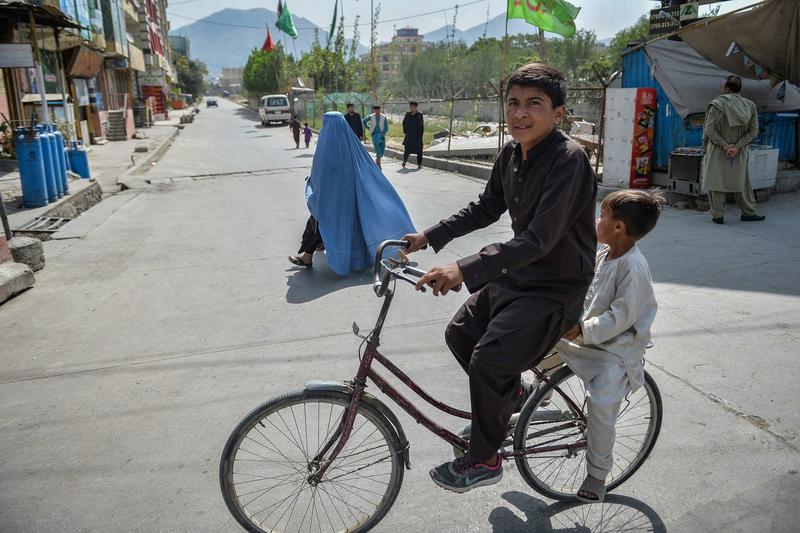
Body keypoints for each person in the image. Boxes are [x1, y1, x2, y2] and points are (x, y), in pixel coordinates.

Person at [402, 63, 597, 493]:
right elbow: (486, 207)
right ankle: (512, 400)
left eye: (534, 104)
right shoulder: (511, 154)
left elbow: (538, 240)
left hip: (554, 288)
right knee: (460, 334)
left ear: (558, 114)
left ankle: (487, 459)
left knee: (488, 361)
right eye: (513, 103)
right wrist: (429, 236)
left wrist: (463, 268)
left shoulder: (569, 161)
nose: (520, 114)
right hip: (517, 277)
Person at [553, 188, 663, 503]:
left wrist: (582, 330)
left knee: (601, 404)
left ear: (619, 227)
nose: (596, 220)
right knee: (534, 340)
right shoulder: (604, 252)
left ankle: (597, 474)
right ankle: (524, 399)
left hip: (614, 350)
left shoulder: (634, 267)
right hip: (582, 336)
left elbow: (619, 318)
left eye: (603, 215)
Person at [298, 111, 415, 275]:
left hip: (332, 200)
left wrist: (312, 182)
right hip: (354, 198)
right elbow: (368, 170)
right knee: (353, 226)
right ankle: (312, 255)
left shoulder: (326, 147)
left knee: (321, 223)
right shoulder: (353, 144)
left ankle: (311, 256)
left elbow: (320, 175)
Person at [700, 75, 764, 224]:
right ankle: (749, 213)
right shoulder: (750, 105)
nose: (720, 88)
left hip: (718, 150)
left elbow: (710, 130)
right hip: (739, 151)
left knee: (717, 182)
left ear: (727, 89)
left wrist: (725, 145)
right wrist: (737, 147)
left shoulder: (717, 104)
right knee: (741, 180)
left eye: (722, 86)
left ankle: (718, 216)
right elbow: (753, 131)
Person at [363, 105, 389, 169]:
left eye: (378, 109)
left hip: (381, 135)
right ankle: (379, 162)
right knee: (377, 148)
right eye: (376, 109)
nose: (377, 111)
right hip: (374, 135)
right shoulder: (371, 116)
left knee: (382, 149)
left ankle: (378, 159)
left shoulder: (383, 117)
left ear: (380, 109)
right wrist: (369, 127)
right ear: (374, 110)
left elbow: (386, 126)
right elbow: (364, 121)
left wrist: (383, 133)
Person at [402, 101, 424, 169]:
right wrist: (405, 131)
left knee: (419, 150)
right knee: (407, 149)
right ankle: (404, 161)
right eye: (411, 106)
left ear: (416, 107)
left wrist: (421, 134)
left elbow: (421, 125)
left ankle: (419, 164)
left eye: (413, 106)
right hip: (409, 135)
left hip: (417, 136)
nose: (412, 108)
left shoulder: (419, 115)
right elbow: (404, 123)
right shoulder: (408, 114)